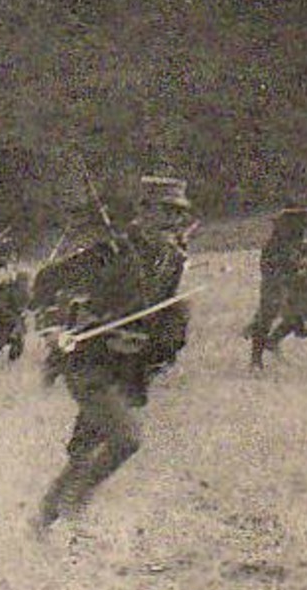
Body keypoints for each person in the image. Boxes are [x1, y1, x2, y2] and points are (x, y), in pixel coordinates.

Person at [31, 175, 195, 531]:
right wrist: (52, 327)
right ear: (143, 212)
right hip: (89, 362)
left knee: (85, 452)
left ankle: (42, 522)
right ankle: (76, 501)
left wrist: (154, 345)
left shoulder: (172, 261)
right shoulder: (111, 253)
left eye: (179, 214)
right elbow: (45, 282)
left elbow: (165, 320)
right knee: (126, 438)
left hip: (130, 370)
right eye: (165, 212)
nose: (174, 221)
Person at [245, 174, 307, 369]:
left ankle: (273, 341)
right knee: (271, 308)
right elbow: (283, 244)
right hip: (278, 264)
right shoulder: (297, 211)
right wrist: (299, 261)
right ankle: (256, 360)